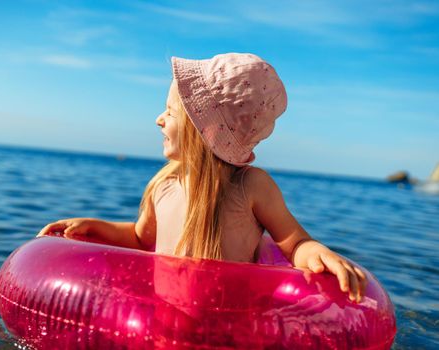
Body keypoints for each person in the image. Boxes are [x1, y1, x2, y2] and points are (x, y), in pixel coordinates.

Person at [38, 53, 367, 302]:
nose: (158, 119)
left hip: (231, 321)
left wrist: (318, 255)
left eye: (169, 112)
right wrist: (95, 227)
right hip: (165, 315)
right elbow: (140, 239)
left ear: (203, 130)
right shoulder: (163, 184)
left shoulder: (250, 186)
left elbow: (294, 243)